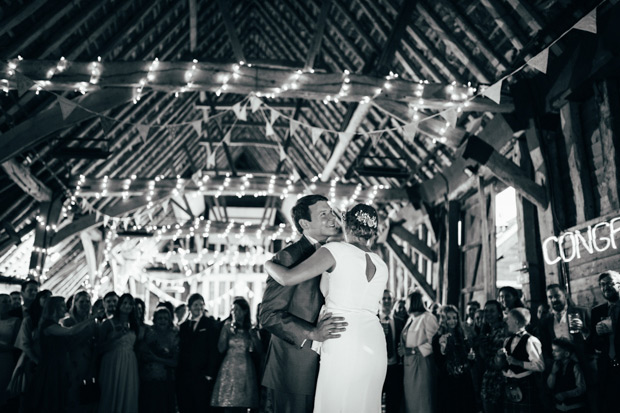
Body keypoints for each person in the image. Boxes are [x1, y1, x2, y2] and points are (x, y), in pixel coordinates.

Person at [265, 203, 388, 413]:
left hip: (343, 337)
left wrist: (267, 264)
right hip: (374, 343)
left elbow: (286, 278)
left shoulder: (335, 250)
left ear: (346, 225)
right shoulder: (381, 263)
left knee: (336, 403)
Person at [260, 194, 347, 413]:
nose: (331, 218)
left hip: (327, 364)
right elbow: (268, 315)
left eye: (331, 212)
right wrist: (312, 333)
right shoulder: (288, 257)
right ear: (304, 224)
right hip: (294, 367)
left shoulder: (336, 254)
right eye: (323, 214)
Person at [27, 296, 96, 412]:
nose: (65, 308)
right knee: (51, 399)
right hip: (51, 367)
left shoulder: (55, 324)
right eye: (62, 306)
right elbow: (70, 331)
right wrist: (91, 319)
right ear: (54, 308)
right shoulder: (48, 325)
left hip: (59, 364)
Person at [211, 297, 261, 412]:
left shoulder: (251, 328)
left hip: (245, 368)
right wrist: (227, 332)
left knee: (243, 404)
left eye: (237, 309)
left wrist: (253, 335)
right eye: (232, 309)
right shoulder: (227, 326)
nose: (234, 312)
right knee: (228, 401)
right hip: (229, 367)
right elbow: (220, 348)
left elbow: (258, 350)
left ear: (245, 311)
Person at [176, 293, 220, 413]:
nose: (199, 307)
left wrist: (209, 374)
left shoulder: (210, 324)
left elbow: (213, 350)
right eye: (195, 304)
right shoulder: (183, 326)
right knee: (186, 406)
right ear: (189, 307)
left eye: (201, 304)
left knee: (201, 407)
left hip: (202, 375)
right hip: (185, 375)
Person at [398, 291, 439, 413]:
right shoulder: (411, 318)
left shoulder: (428, 317)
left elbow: (434, 343)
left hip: (422, 365)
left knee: (422, 398)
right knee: (411, 400)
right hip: (409, 366)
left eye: (406, 302)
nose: (405, 305)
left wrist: (412, 350)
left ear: (413, 302)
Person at [98, 293, 140, 413]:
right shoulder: (108, 323)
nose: (127, 306)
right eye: (124, 303)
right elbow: (99, 348)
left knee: (127, 392)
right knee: (111, 392)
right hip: (112, 361)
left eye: (130, 304)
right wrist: (115, 337)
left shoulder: (134, 325)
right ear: (119, 304)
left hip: (129, 363)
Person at [432, 305, 476, 413]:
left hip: (464, 380)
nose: (453, 321)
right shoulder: (438, 338)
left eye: (455, 318)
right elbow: (438, 362)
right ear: (443, 319)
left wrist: (471, 358)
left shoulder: (462, 335)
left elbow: (470, 361)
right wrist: (443, 348)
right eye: (449, 318)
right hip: (448, 382)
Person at [500, 307, 545, 413]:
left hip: (524, 385)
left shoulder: (531, 341)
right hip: (509, 385)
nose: (506, 321)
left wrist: (519, 363)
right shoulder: (507, 340)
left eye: (508, 319)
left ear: (516, 322)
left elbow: (540, 366)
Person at [62, 291, 97, 413]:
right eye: (81, 301)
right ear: (75, 303)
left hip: (89, 360)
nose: (85, 304)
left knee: (87, 396)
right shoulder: (67, 322)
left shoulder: (94, 322)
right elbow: (67, 345)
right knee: (72, 394)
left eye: (87, 301)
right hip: (72, 361)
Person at [139, 307, 179, 413]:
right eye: (159, 318)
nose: (162, 321)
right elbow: (143, 355)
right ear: (154, 320)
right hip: (148, 378)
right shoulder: (148, 333)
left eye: (165, 319)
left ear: (170, 320)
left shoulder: (174, 336)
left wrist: (156, 358)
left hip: (166, 380)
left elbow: (175, 362)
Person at [591, 270, 620, 413]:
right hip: (607, 368)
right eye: (602, 285)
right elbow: (594, 344)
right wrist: (596, 334)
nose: (606, 287)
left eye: (610, 283)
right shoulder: (597, 311)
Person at [478, 300, 508, 413]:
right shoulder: (487, 329)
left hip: (500, 376)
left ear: (499, 313)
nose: (488, 314)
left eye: (492, 311)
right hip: (488, 375)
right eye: (486, 311)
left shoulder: (503, 330)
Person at [380, 289, 405, 413]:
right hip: (377, 369)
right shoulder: (373, 321)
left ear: (393, 300)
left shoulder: (400, 322)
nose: (386, 301)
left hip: (395, 368)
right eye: (384, 298)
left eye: (389, 298)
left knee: (393, 405)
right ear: (379, 301)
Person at [546, 338, 586, 413]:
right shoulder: (556, 366)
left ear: (566, 353)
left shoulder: (575, 366)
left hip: (574, 407)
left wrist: (565, 394)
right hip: (559, 407)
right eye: (552, 350)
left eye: (556, 351)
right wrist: (553, 373)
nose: (553, 353)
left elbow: (582, 388)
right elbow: (550, 386)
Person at [0, 293, 20, 409]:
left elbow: (16, 345)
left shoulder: (15, 321)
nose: (8, 304)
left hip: (5, 359)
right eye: (4, 302)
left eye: (9, 301)